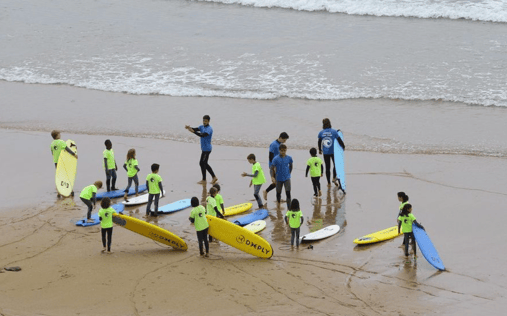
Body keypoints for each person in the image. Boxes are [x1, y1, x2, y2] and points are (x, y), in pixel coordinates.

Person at [185, 115, 218, 185]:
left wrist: (193, 132)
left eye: (206, 121)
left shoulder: (209, 129)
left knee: (204, 163)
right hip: (204, 148)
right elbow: (196, 129)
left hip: (207, 149)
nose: (204, 122)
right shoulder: (201, 126)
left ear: (209, 121)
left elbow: (202, 135)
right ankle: (205, 179)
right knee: (202, 163)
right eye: (203, 121)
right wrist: (189, 128)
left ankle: (212, 177)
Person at [317, 118, 345, 188]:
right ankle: (334, 177)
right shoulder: (334, 131)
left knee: (327, 167)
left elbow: (319, 141)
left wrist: (320, 149)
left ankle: (329, 182)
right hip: (333, 151)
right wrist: (343, 146)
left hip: (325, 152)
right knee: (336, 165)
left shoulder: (321, 132)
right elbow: (339, 140)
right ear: (330, 123)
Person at [50, 130, 78, 196]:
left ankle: (58, 192)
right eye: (59, 134)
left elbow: (52, 153)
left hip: (56, 162)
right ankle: (71, 190)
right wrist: (74, 154)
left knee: (59, 176)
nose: (60, 135)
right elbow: (67, 149)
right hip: (63, 162)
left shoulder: (52, 143)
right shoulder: (61, 142)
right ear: (57, 135)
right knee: (67, 175)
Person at [263, 132, 289, 202]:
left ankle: (277, 197)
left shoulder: (280, 144)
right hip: (274, 166)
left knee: (278, 182)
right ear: (280, 138)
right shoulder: (274, 144)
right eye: (284, 140)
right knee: (277, 182)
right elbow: (270, 156)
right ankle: (266, 191)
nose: (285, 141)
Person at [270, 144, 293, 210]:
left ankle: (289, 208)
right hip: (278, 179)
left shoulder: (289, 158)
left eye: (284, 150)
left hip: (287, 178)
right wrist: (272, 177)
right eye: (281, 151)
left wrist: (289, 173)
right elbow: (272, 168)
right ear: (279, 150)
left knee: (288, 193)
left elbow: (291, 166)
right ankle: (278, 204)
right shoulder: (276, 158)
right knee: (278, 193)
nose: (283, 152)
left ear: (286, 150)